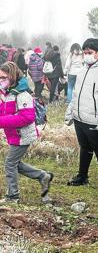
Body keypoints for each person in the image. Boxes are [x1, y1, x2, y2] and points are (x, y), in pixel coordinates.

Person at [65, 38, 98, 190]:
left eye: (90, 53)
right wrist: (70, 112)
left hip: (94, 119)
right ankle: (82, 175)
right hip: (80, 117)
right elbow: (75, 93)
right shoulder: (82, 69)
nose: (86, 55)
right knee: (84, 147)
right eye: (84, 52)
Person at [0, 62, 53, 204]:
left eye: (4, 77)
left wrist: (1, 121)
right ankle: (43, 176)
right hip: (14, 134)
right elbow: (4, 112)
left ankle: (13, 196)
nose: (1, 80)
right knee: (14, 163)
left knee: (10, 164)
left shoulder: (22, 94)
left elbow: (27, 117)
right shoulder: (8, 93)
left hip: (23, 135)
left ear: (12, 76)